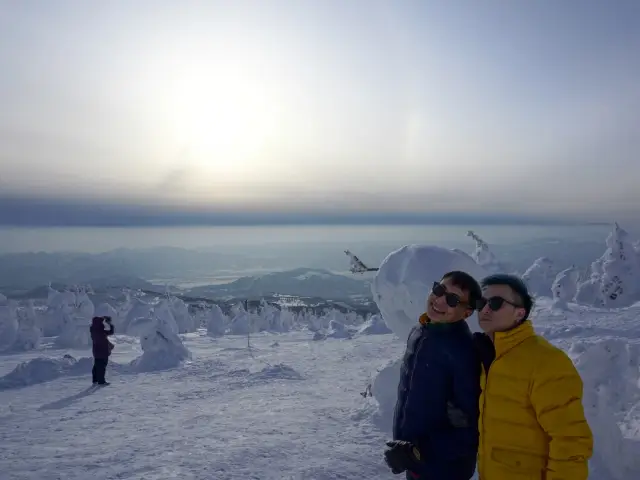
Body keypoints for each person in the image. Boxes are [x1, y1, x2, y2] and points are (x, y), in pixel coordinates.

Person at [474, 273, 593, 479]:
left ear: (519, 314)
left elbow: (571, 440)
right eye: (481, 302)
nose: (485, 309)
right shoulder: (488, 356)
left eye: (495, 303)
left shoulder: (546, 361)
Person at [384, 271, 482, 480]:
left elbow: (470, 429)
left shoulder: (461, 352)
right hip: (416, 461)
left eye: (453, 299)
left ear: (467, 312)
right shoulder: (421, 330)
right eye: (439, 290)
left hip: (444, 469)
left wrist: (417, 451)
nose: (439, 300)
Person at [90, 316, 115, 385]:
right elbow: (111, 332)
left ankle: (95, 380)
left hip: (96, 351)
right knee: (102, 366)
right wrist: (109, 323)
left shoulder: (93, 330)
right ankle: (101, 381)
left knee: (96, 365)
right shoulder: (100, 331)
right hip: (103, 351)